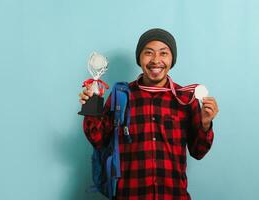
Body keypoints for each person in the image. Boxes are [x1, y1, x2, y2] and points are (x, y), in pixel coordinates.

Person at [79, 28, 219, 200]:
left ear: (172, 59)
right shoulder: (121, 95)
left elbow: (198, 152)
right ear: (139, 58)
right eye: (148, 53)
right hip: (129, 194)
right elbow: (98, 139)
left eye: (163, 53)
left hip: (173, 195)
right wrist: (91, 106)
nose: (156, 60)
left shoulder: (185, 98)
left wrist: (205, 124)